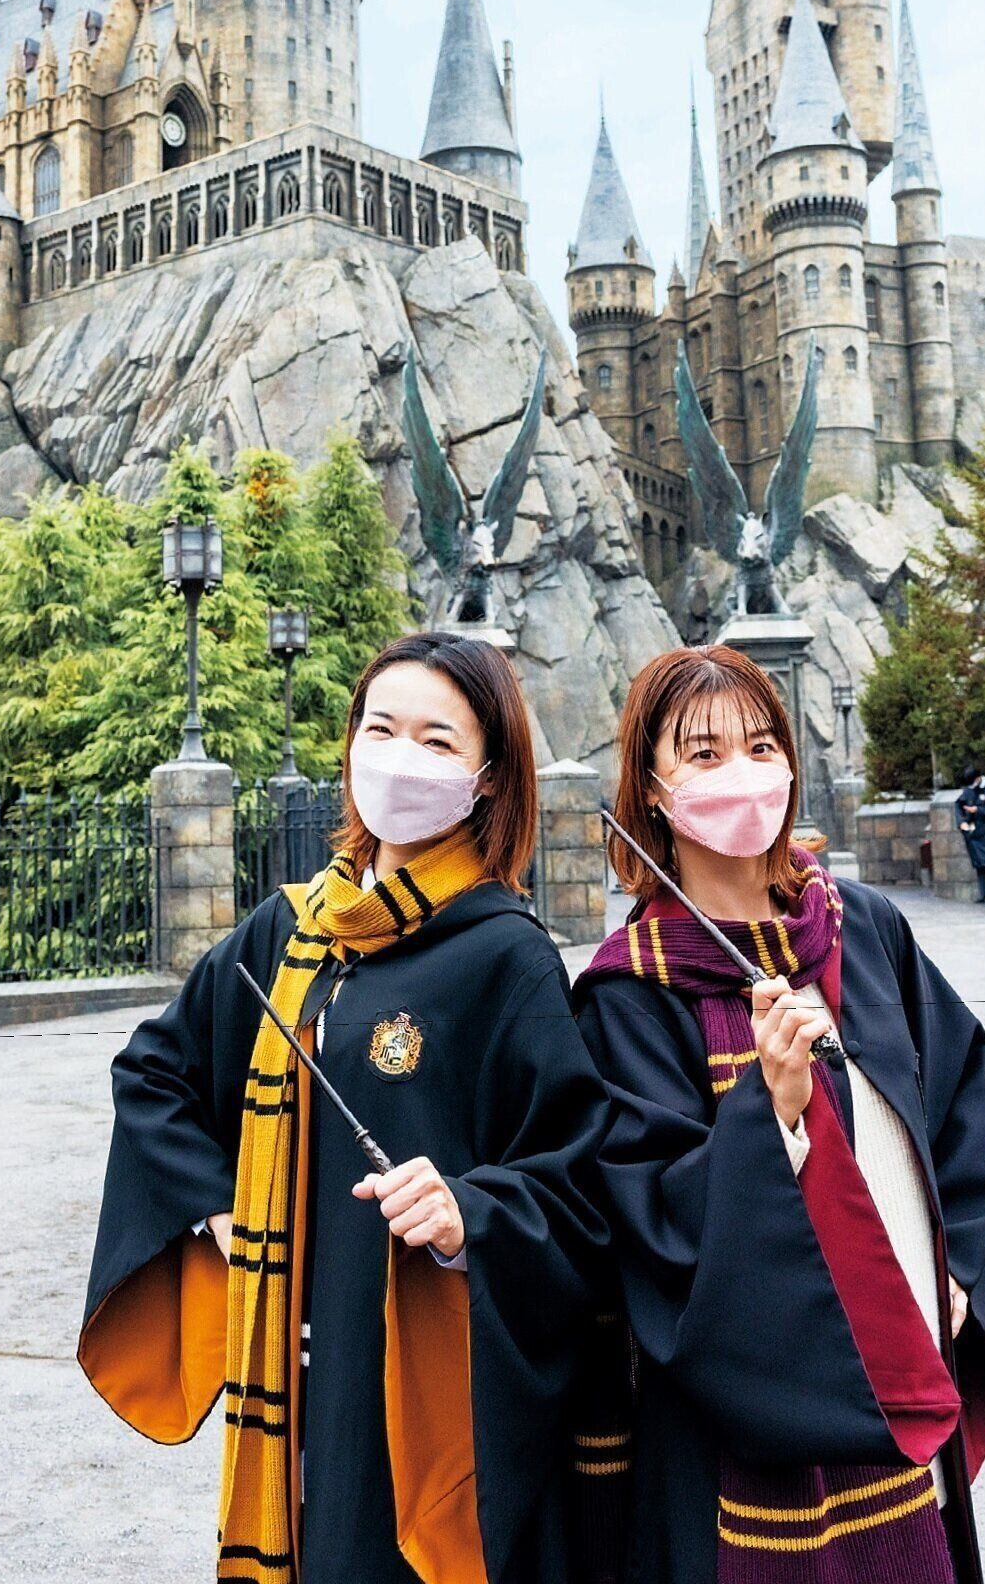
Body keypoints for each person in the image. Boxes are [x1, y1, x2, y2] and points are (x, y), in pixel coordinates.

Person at [78, 631, 611, 1584]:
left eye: (438, 741)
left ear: (488, 778)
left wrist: (467, 1213)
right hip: (286, 1360)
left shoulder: (507, 958)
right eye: (381, 729)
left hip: (410, 1384)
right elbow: (154, 1072)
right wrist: (224, 1207)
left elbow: (577, 1185)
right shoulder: (289, 930)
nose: (401, 757)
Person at [572, 645, 985, 1584]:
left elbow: (955, 1097)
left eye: (761, 746)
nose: (741, 774)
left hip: (903, 1357)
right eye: (703, 755)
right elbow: (649, 1222)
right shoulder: (631, 995)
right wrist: (769, 1110)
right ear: (651, 790)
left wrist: (957, 1267)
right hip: (755, 1416)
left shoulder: (863, 928)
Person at [953, 765, 985, 904]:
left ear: (978, 778)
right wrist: (961, 822)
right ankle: (984, 893)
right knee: (979, 863)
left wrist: (978, 810)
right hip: (974, 833)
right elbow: (958, 805)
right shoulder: (969, 791)